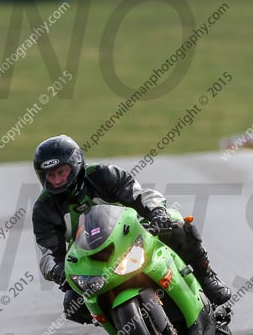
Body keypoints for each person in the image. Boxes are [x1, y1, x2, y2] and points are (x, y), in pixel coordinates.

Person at [31, 135, 231, 324]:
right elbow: (48, 253)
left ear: (75, 166)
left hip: (135, 235)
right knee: (73, 306)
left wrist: (157, 213)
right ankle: (123, 328)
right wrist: (57, 271)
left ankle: (206, 276)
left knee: (178, 225)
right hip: (93, 261)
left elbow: (139, 195)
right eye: (51, 175)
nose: (57, 180)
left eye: (61, 172)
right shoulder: (44, 208)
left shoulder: (102, 175)